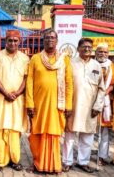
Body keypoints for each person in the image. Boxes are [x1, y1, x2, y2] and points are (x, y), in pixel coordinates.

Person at [26, 30, 73, 174]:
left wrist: (68, 105)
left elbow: (69, 82)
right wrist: (29, 103)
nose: (50, 40)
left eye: (52, 37)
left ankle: (53, 165)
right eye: (47, 38)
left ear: (57, 40)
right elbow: (29, 81)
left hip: (56, 105)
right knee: (36, 134)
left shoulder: (64, 59)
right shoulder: (35, 58)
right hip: (39, 104)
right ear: (43, 40)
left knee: (53, 134)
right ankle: (38, 163)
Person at [62, 38, 105, 173]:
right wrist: (65, 105)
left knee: (87, 137)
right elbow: (63, 85)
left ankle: (83, 162)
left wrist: (97, 106)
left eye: (89, 47)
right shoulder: (70, 63)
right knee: (69, 136)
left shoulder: (96, 66)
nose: (87, 49)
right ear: (78, 48)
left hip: (90, 108)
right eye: (84, 46)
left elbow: (101, 88)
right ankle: (67, 162)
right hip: (73, 106)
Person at [0, 30, 29, 172]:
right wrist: (6, 93)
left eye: (15, 40)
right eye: (10, 40)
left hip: (18, 100)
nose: (12, 43)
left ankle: (15, 159)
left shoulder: (25, 58)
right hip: (1, 99)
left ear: (19, 41)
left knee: (15, 129)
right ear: (6, 41)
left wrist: (17, 93)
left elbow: (26, 78)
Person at [95, 43, 114, 165]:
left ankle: (102, 156)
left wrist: (102, 94)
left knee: (104, 131)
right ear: (96, 52)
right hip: (91, 100)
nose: (102, 54)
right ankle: (84, 156)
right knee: (88, 130)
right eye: (100, 51)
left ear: (108, 53)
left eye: (105, 52)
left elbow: (112, 85)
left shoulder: (111, 66)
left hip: (105, 101)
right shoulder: (92, 64)